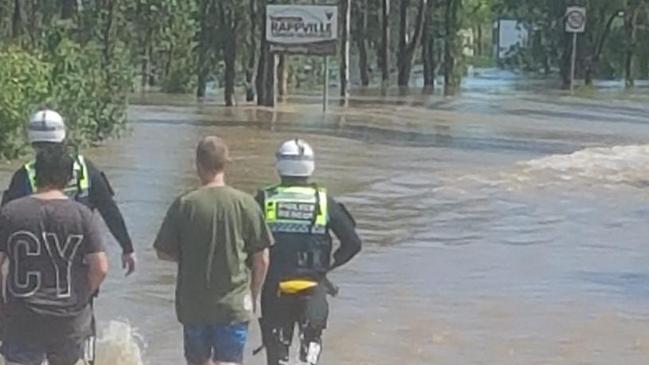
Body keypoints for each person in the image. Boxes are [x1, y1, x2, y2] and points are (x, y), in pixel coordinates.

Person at [154, 136, 272, 365]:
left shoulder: (185, 204)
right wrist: (253, 295)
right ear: (225, 163)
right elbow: (262, 259)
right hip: (234, 305)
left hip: (193, 305)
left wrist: (189, 257)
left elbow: (162, 251)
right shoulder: (246, 203)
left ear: (197, 164)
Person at [0, 144, 109, 365]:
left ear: (36, 175)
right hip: (68, 316)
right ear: (69, 178)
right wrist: (83, 296)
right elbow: (101, 268)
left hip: (22, 313)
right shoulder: (82, 215)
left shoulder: (10, 212)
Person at [257, 139, 362, 365]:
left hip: (275, 288)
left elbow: (246, 243)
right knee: (309, 355)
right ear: (310, 166)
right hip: (314, 286)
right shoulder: (324, 201)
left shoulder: (264, 199)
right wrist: (328, 267)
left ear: (280, 165)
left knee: (277, 355)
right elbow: (353, 243)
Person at [2, 109, 136, 276]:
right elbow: (109, 210)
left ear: (31, 140)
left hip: (32, 275)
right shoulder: (87, 169)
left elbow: (4, 224)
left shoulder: (23, 175)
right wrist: (127, 248)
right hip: (78, 271)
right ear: (63, 136)